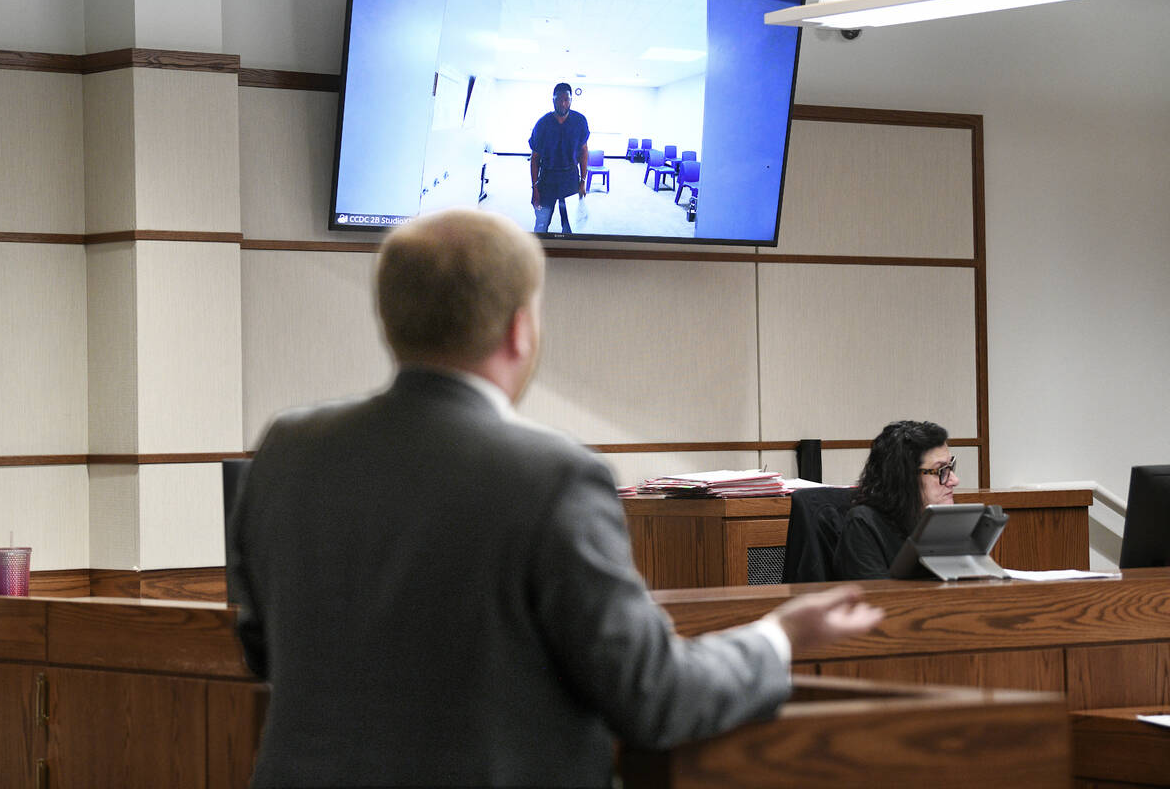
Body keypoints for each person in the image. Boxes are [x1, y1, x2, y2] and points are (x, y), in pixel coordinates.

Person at [226, 208, 883, 787]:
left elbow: (261, 650)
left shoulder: (288, 449)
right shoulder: (551, 474)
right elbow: (653, 695)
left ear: (390, 322)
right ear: (520, 330)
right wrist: (779, 636)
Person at [831, 420, 961, 580]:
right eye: (941, 470)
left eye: (951, 467)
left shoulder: (943, 520)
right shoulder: (863, 525)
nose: (954, 480)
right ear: (905, 477)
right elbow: (879, 600)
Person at [529, 81, 589, 234]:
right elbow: (535, 158)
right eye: (559, 99)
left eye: (566, 99)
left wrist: (582, 182)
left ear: (571, 100)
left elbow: (584, 151)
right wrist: (535, 188)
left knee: (569, 226)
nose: (563, 103)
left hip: (570, 179)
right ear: (553, 100)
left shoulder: (580, 122)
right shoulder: (542, 124)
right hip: (547, 179)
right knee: (541, 224)